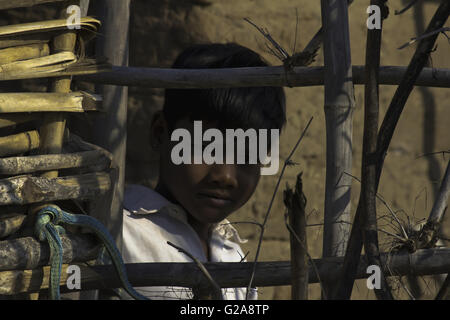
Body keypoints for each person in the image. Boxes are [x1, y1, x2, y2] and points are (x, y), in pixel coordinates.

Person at [121, 43, 286, 300]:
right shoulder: (120, 234)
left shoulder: (233, 256)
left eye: (247, 155)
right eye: (207, 147)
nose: (226, 176)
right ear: (160, 133)